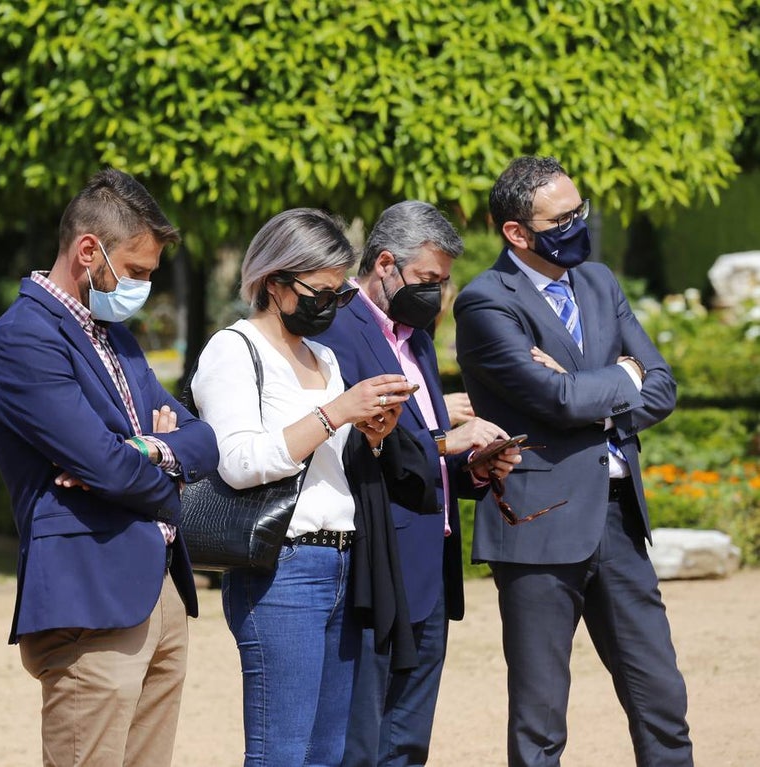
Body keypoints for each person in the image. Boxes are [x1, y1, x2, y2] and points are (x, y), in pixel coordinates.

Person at [0, 168, 219, 767]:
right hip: (91, 595)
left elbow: (202, 439)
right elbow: (107, 468)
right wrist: (157, 467)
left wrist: (149, 450)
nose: (143, 287)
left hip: (158, 588)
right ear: (89, 250)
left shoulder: (115, 335)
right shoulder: (24, 340)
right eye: (136, 271)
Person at [453, 156, 692, 766]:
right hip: (538, 524)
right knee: (540, 722)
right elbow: (555, 401)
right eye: (562, 219)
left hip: (619, 521)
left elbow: (661, 386)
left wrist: (594, 390)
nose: (577, 224)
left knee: (662, 702)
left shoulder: (599, 281)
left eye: (579, 209)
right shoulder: (486, 303)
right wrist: (621, 376)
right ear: (516, 232)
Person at [189, 207, 429, 767]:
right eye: (320, 292)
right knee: (281, 751)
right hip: (281, 567)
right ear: (274, 283)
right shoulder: (234, 348)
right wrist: (335, 411)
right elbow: (239, 462)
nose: (331, 305)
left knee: (328, 752)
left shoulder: (322, 355)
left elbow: (331, 464)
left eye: (339, 294)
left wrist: (372, 435)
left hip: (343, 558)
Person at [318, 201, 521, 766]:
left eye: (443, 281)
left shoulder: (418, 339)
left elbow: (425, 447)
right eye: (429, 279)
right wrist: (445, 443)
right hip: (376, 558)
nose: (438, 293)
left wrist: (473, 467)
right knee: (362, 738)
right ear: (385, 264)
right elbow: (353, 441)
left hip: (430, 561)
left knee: (408, 741)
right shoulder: (337, 328)